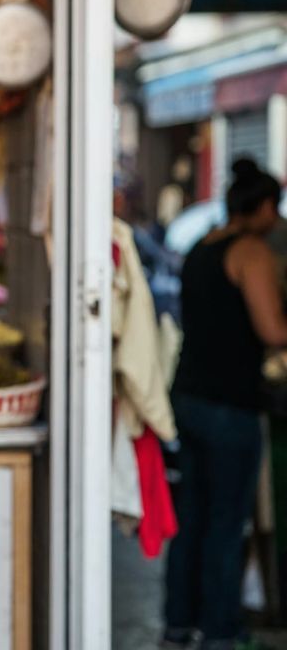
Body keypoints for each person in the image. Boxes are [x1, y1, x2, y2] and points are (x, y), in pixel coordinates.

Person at [163, 159, 287, 650]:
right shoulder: (250, 251)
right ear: (259, 208)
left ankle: (178, 624)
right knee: (225, 520)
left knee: (190, 517)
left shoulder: (202, 246)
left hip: (189, 396)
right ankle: (220, 630)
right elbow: (273, 330)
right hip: (229, 405)